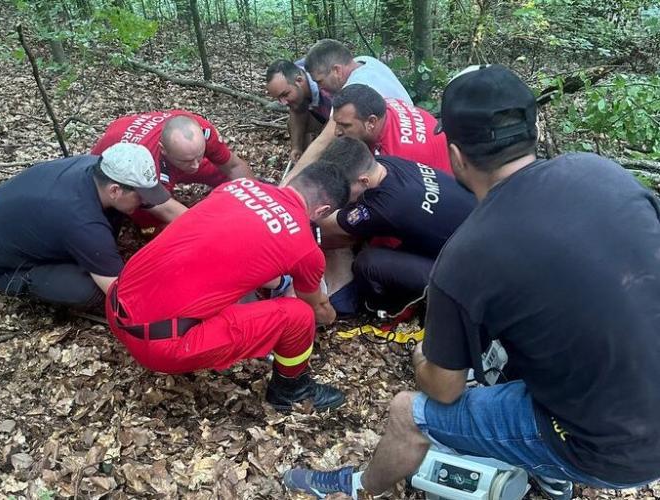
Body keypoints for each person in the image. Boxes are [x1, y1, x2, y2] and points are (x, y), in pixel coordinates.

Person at [282, 65, 660, 499]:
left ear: (456, 156)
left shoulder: (466, 254)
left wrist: (425, 356)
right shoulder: (601, 171)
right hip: (635, 393)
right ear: (535, 127)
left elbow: (445, 389)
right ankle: (549, 473)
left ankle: (353, 486)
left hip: (610, 450)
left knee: (409, 412)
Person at [105, 162, 351, 411]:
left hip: (116, 303)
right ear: (323, 210)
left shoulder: (237, 187)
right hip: (158, 344)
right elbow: (315, 306)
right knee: (299, 317)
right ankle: (291, 390)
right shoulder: (305, 247)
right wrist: (330, 316)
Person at [0, 143, 179, 309]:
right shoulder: (83, 222)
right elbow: (122, 293)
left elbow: (166, 209)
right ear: (115, 190)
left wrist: (202, 229)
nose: (145, 202)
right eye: (141, 196)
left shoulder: (100, 168)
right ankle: (27, 280)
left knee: (118, 213)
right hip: (3, 266)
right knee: (87, 290)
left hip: (12, 215)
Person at [318, 137, 474, 316]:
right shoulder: (386, 164)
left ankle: (377, 310)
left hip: (466, 273)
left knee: (367, 263)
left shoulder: (386, 207)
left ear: (364, 181)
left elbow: (329, 225)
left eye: (344, 189)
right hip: (469, 231)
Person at [92, 110, 254, 231]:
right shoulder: (145, 164)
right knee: (160, 225)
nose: (196, 165)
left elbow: (234, 166)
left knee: (219, 173)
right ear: (164, 149)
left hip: (170, 153)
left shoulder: (202, 132)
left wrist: (255, 202)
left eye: (200, 156)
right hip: (121, 158)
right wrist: (218, 230)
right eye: (188, 161)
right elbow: (171, 212)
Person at [282, 39, 412, 184]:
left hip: (398, 152)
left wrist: (287, 184)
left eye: (320, 81)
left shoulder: (356, 87)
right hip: (407, 125)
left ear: (337, 70)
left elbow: (324, 141)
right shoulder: (364, 61)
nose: (320, 87)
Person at [332, 84, 452, 175]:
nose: (337, 132)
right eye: (336, 123)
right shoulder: (385, 106)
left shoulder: (396, 158)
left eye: (345, 125)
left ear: (371, 121)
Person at [265, 59, 333, 163]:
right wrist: (296, 147)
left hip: (346, 116)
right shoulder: (292, 73)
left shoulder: (327, 84)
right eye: (279, 98)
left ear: (300, 80)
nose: (283, 103)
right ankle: (302, 162)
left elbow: (333, 128)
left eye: (285, 94)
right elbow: (297, 111)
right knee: (293, 121)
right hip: (321, 112)